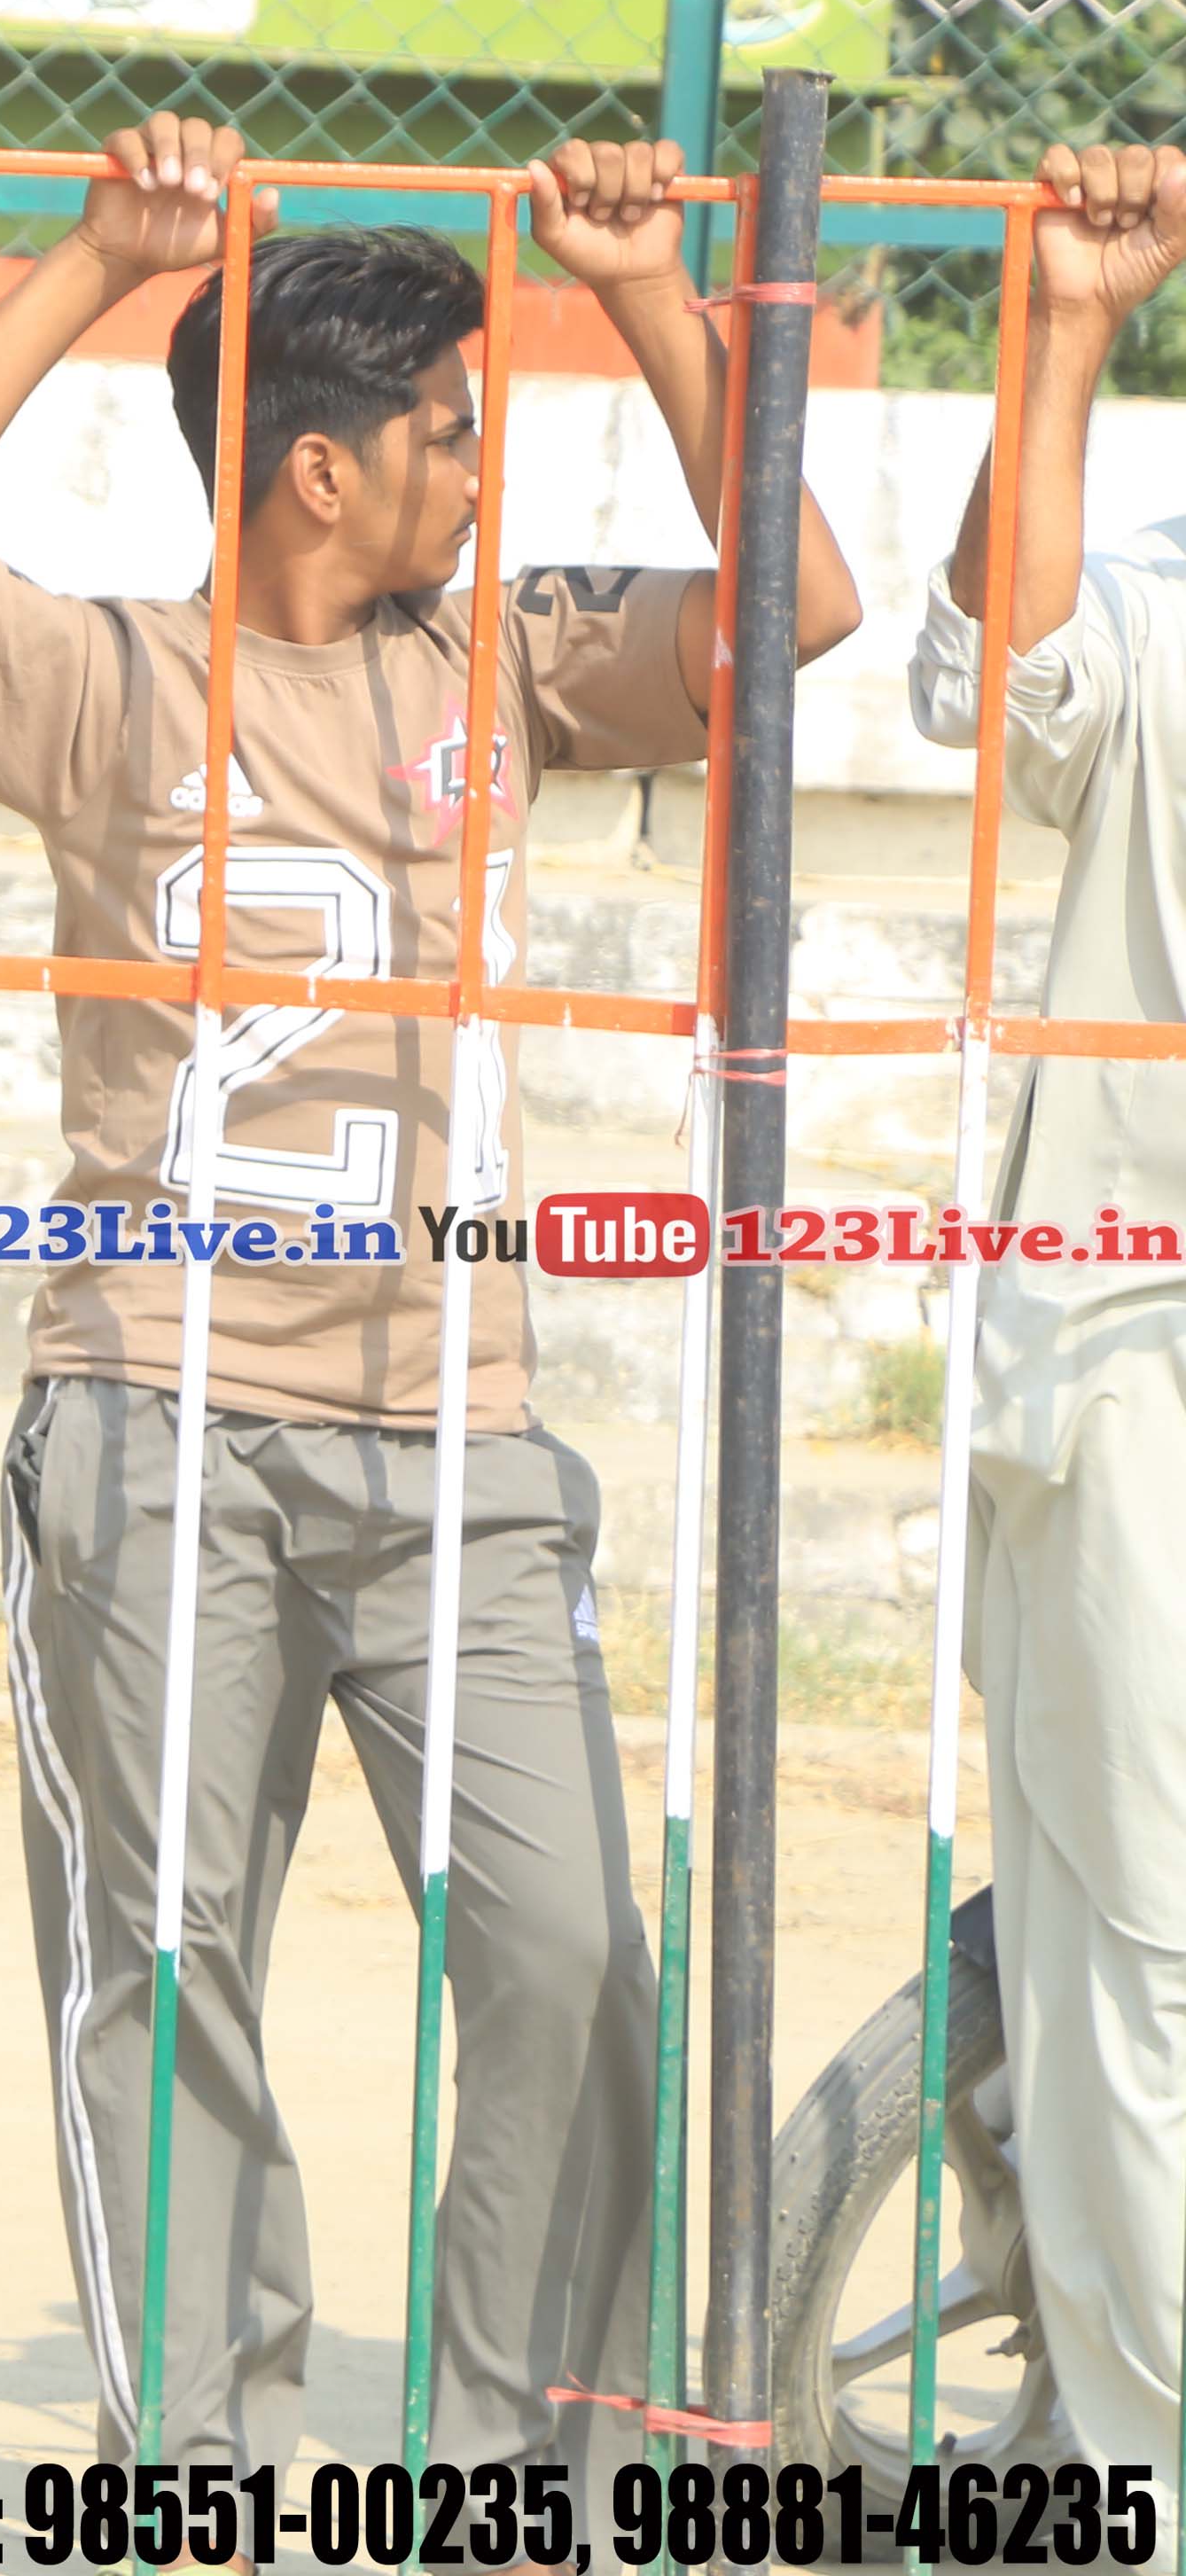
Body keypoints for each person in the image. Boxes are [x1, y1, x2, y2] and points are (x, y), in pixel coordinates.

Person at [0, 120, 865, 2477]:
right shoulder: (104, 679)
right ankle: (193, 2465)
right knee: (166, 1970)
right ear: (317, 470)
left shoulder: (503, 660)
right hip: (154, 1421)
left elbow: (797, 603)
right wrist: (100, 257)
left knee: (571, 1956)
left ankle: (518, 2471)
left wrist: (648, 295)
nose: (481, 472)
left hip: (460, 1435)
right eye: (451, 434)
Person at [903, 139, 1186, 2476]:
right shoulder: (1162, 596)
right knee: (1147, 1950)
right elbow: (1010, 698)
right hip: (1145, 1375)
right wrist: (1066, 337)